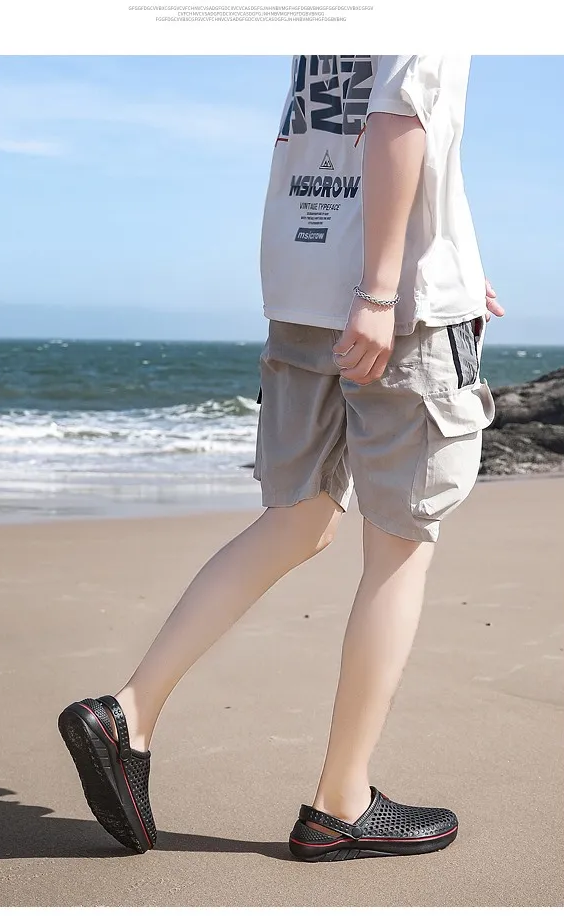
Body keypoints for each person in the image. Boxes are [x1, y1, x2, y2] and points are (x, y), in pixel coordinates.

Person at [58, 55, 505, 862]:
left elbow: (333, 130)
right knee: (401, 543)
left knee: (299, 519)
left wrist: (454, 255)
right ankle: (342, 802)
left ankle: (129, 712)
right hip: (393, 308)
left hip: (302, 290)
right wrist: (385, 286)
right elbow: (398, 119)